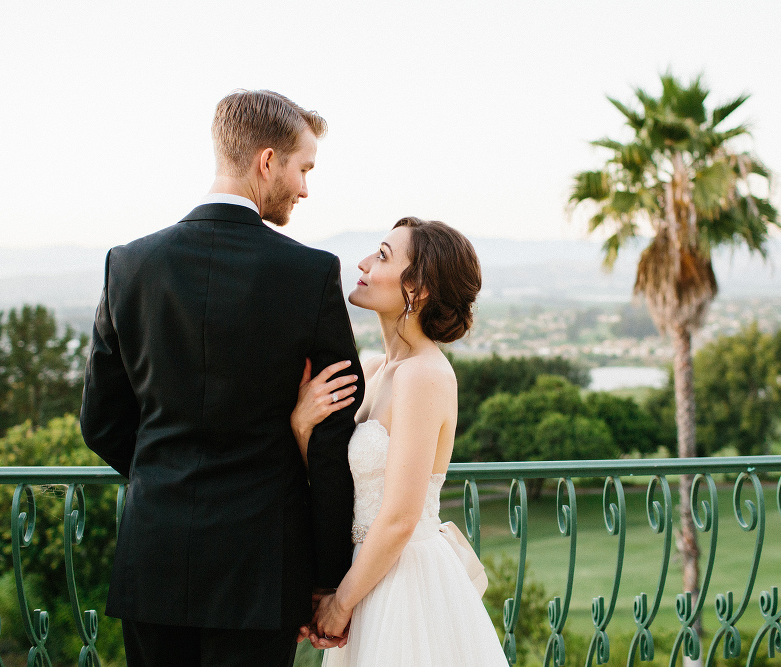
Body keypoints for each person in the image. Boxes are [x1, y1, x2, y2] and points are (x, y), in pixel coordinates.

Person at [80, 89, 364, 667]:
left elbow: (101, 421)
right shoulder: (310, 274)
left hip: (154, 559)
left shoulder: (128, 265)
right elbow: (333, 436)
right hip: (261, 569)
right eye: (303, 169)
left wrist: (166, 475)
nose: (305, 188)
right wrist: (329, 572)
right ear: (267, 161)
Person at [290, 217, 509, 665]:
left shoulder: (424, 375)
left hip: (404, 583)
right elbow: (339, 486)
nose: (365, 263)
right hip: (364, 574)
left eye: (383, 256)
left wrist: (342, 603)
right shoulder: (372, 369)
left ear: (419, 288)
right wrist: (301, 425)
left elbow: (401, 515)